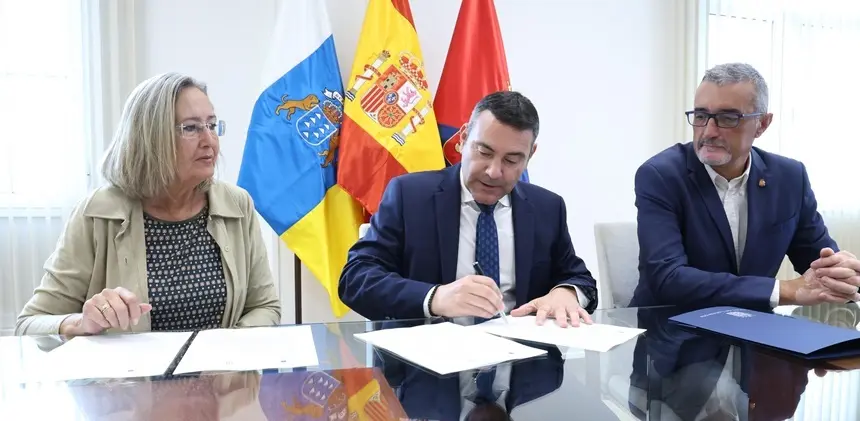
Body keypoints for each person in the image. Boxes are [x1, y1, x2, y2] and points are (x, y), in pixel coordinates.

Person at [15, 72, 280, 337]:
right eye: (191, 128)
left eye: (211, 125)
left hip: (219, 365)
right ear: (150, 137)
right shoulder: (97, 213)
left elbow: (265, 306)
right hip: (128, 367)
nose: (209, 140)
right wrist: (80, 323)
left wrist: (227, 347)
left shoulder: (236, 204)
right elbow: (29, 324)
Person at [338, 90, 598, 325]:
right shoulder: (409, 196)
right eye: (484, 152)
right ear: (463, 139)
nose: (494, 171)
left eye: (511, 160)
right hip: (429, 356)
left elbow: (580, 279)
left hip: (522, 357)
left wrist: (566, 293)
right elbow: (356, 278)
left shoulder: (547, 208)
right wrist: (435, 298)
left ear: (530, 156)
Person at [631, 62, 860, 312]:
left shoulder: (789, 178)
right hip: (669, 327)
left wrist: (845, 274)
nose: (709, 131)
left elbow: (820, 268)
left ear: (762, 124)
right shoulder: (661, 176)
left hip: (753, 328)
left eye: (727, 118)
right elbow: (668, 279)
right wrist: (785, 290)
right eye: (701, 116)